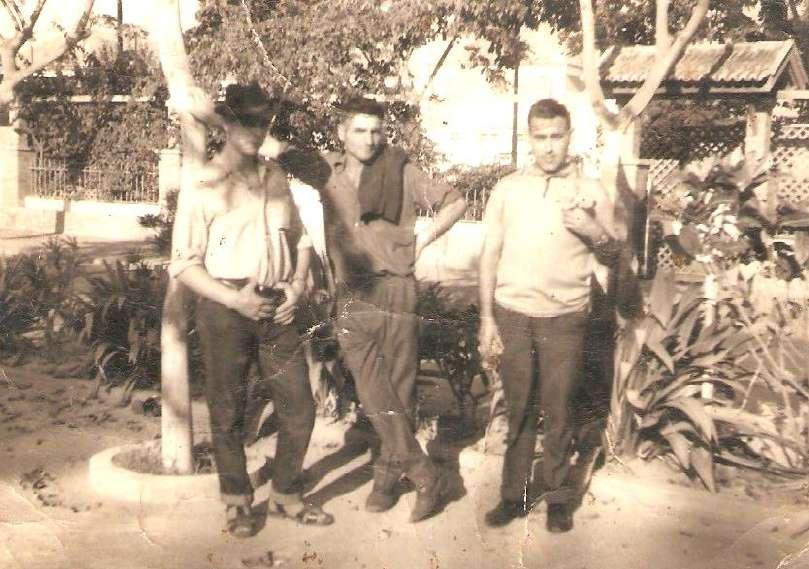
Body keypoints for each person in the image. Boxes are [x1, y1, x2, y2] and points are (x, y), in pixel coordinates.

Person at [169, 82, 333, 538]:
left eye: (262, 122)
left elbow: (300, 238)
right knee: (228, 411)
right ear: (224, 122)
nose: (254, 130)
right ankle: (237, 501)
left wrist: (297, 285)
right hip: (226, 307)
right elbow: (183, 264)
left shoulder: (275, 176)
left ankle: (285, 495)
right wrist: (233, 299)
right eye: (244, 121)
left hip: (278, 307)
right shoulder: (202, 183)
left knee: (299, 407)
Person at [320, 96, 467, 523]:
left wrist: (422, 240)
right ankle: (424, 473)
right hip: (352, 294)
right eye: (359, 130)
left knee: (399, 391)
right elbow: (274, 149)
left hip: (397, 290)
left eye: (376, 131)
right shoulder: (325, 172)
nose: (369, 139)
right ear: (341, 133)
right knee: (371, 392)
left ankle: (385, 481)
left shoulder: (402, 171)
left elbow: (456, 201)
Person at [478, 98, 621, 532]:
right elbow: (489, 256)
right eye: (540, 137)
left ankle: (558, 499)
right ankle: (513, 496)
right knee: (519, 410)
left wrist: (591, 228)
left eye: (556, 136)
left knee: (559, 412)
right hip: (514, 314)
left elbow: (616, 252)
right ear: (529, 138)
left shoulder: (591, 191)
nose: (548, 146)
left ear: (569, 137)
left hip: (565, 317)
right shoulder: (507, 189)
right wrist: (486, 318)